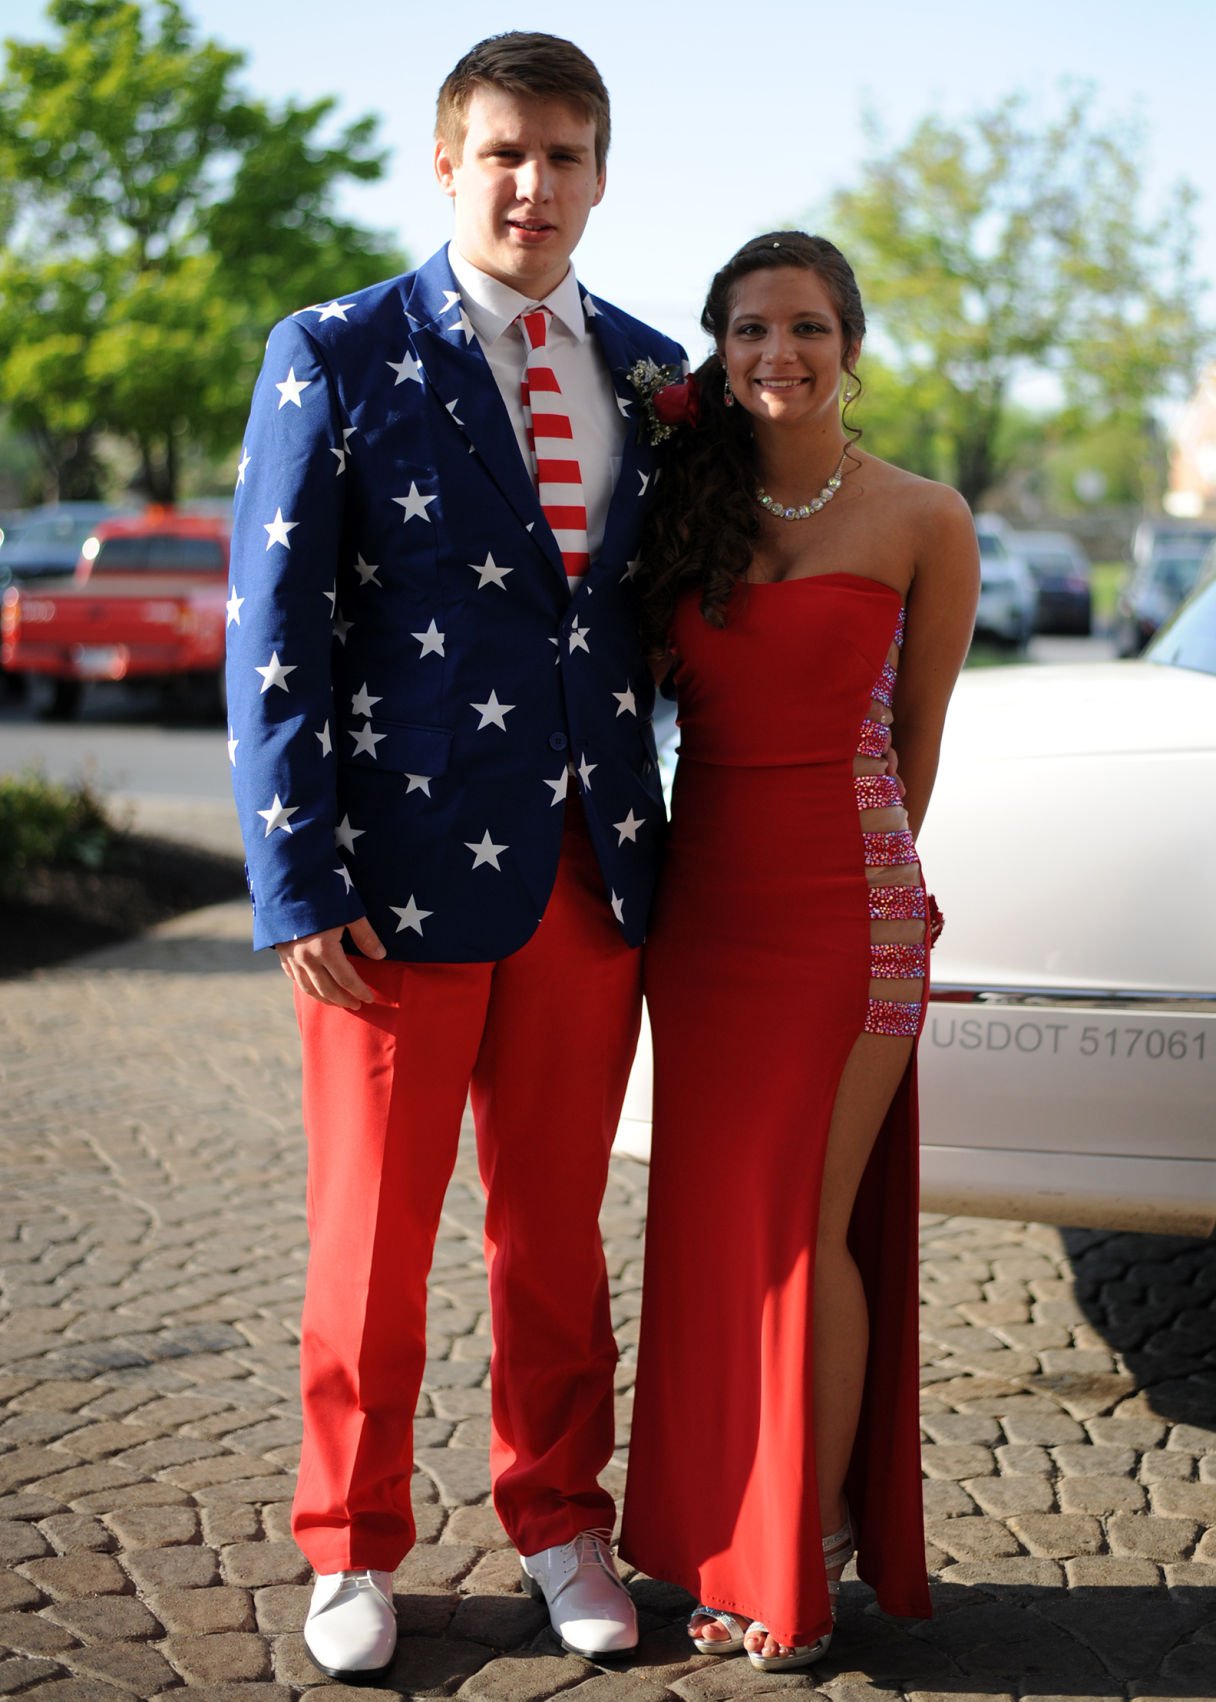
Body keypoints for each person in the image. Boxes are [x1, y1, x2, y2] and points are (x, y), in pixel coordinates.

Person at [225, 32, 685, 1683]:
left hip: (591, 871)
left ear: (600, 175)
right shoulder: (337, 352)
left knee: (553, 1235)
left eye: (564, 156)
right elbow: (269, 634)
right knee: (370, 1237)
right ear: (445, 161)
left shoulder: (651, 375)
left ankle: (562, 1517)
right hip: (390, 886)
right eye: (503, 151)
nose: (532, 185)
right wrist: (297, 880)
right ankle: (349, 1545)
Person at [619, 232, 980, 1672]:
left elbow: (920, 745)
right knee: (714, 1238)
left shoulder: (923, 517)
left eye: (811, 326)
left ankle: (800, 1553)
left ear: (851, 342)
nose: (784, 351)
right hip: (702, 925)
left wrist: (863, 878)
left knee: (799, 1231)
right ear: (718, 349)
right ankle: (716, 1530)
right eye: (755, 329)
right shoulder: (682, 520)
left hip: (855, 914)